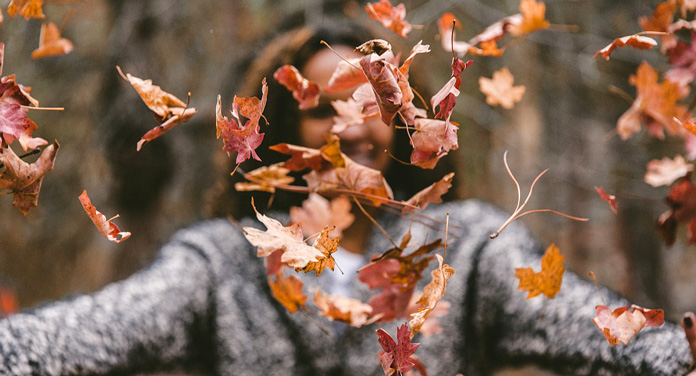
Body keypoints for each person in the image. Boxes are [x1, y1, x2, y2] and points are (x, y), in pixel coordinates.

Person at [0, 12, 693, 376]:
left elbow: (605, 332)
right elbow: (88, 332)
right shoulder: (224, 263)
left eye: (371, 103)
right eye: (322, 108)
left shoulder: (465, 248)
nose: (350, 125)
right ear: (280, 132)